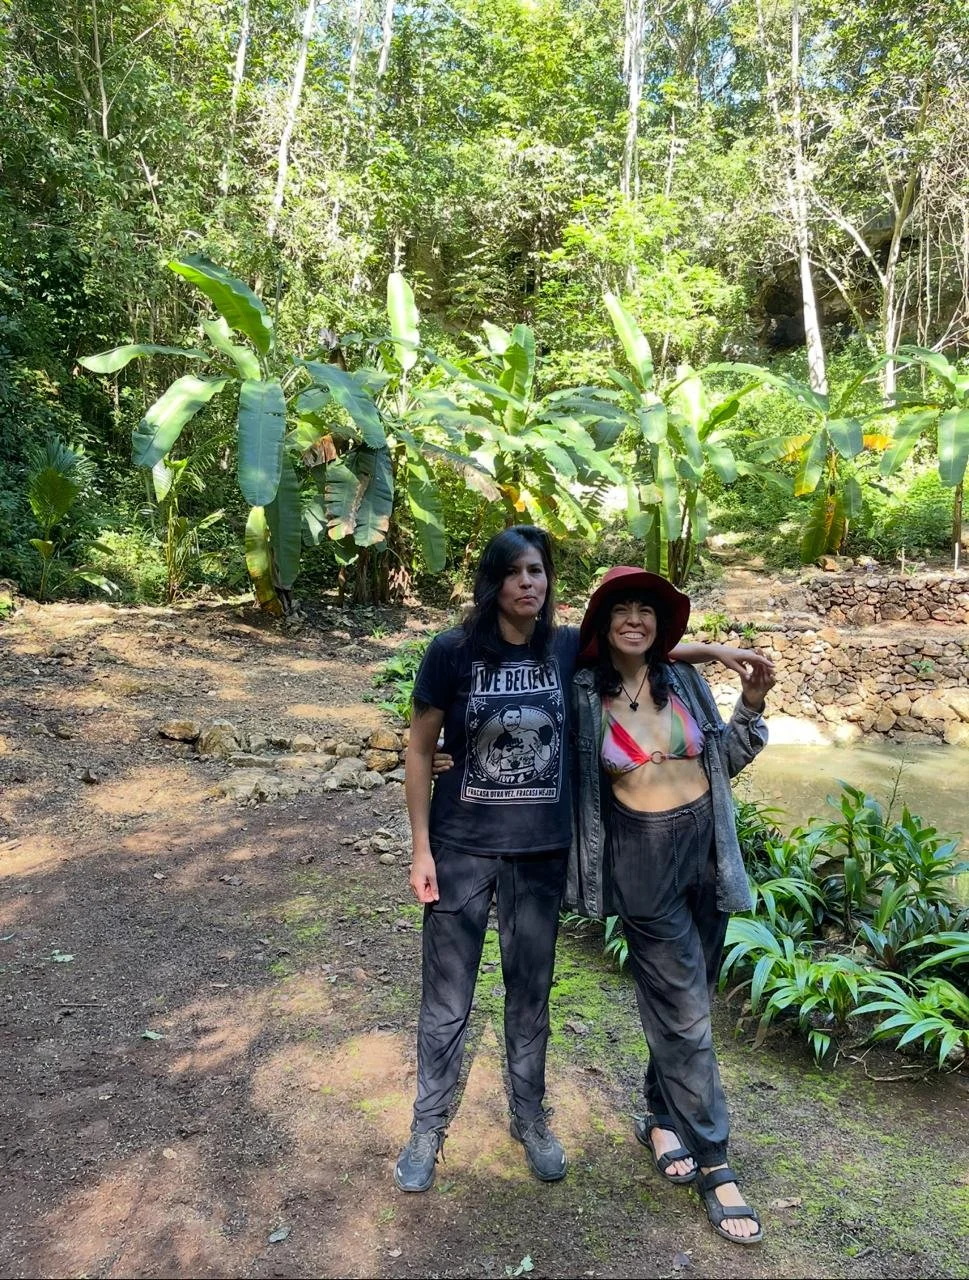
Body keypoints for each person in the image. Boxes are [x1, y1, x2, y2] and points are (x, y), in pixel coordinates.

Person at [395, 528, 772, 1194]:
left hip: (540, 854)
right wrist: (420, 847)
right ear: (492, 582)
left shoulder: (565, 647)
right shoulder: (450, 652)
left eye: (537, 571)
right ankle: (426, 1127)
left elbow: (641, 652)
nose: (528, 583)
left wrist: (713, 650)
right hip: (460, 848)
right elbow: (420, 748)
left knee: (530, 996)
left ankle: (530, 1118)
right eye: (513, 572)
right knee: (447, 1000)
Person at [567, 566, 774, 1245]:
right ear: (601, 624)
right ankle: (716, 1162)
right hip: (642, 866)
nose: (635, 618)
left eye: (646, 611)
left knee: (685, 1005)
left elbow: (726, 761)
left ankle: (659, 1116)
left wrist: (748, 702)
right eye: (621, 609)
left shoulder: (681, 683)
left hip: (706, 856)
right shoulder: (580, 696)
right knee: (686, 1016)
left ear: (660, 626)